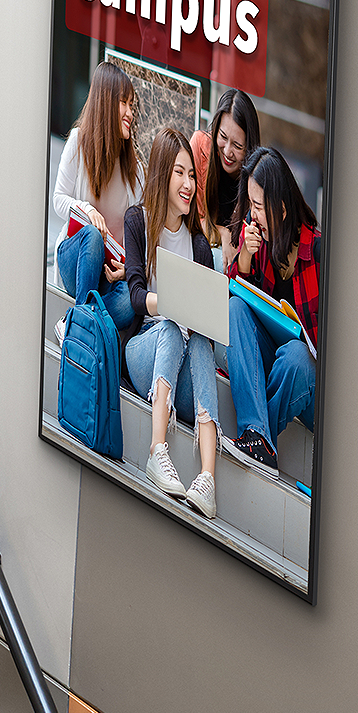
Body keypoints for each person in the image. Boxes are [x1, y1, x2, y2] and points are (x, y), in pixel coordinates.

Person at [123, 128, 221, 518]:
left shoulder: (199, 245)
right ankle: (156, 450)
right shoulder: (138, 221)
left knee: (200, 343)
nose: (188, 184)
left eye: (192, 175)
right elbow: (135, 296)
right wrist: (172, 304)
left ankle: (208, 479)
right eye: (179, 172)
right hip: (145, 351)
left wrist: (203, 317)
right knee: (169, 327)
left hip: (182, 370)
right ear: (163, 174)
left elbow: (205, 324)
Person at [223, 146, 321, 472]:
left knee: (297, 355)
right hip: (274, 364)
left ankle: (259, 438)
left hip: (308, 381)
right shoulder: (260, 242)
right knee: (236, 308)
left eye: (258, 207)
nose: (252, 216)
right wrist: (245, 256)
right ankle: (258, 436)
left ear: (281, 208)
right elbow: (236, 297)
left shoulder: (319, 253)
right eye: (250, 205)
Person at [53, 62, 144, 333]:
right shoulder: (78, 141)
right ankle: (82, 326)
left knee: (130, 300)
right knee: (93, 235)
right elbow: (58, 199)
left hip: (107, 276)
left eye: (132, 105)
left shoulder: (135, 171)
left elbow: (138, 235)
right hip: (75, 260)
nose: (130, 113)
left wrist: (127, 267)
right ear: (106, 102)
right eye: (124, 103)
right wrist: (86, 211)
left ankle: (77, 324)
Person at [191, 88, 261, 264]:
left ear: (249, 147)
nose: (228, 151)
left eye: (237, 146)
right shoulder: (200, 146)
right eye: (222, 137)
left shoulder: (256, 180)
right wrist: (221, 232)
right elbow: (186, 217)